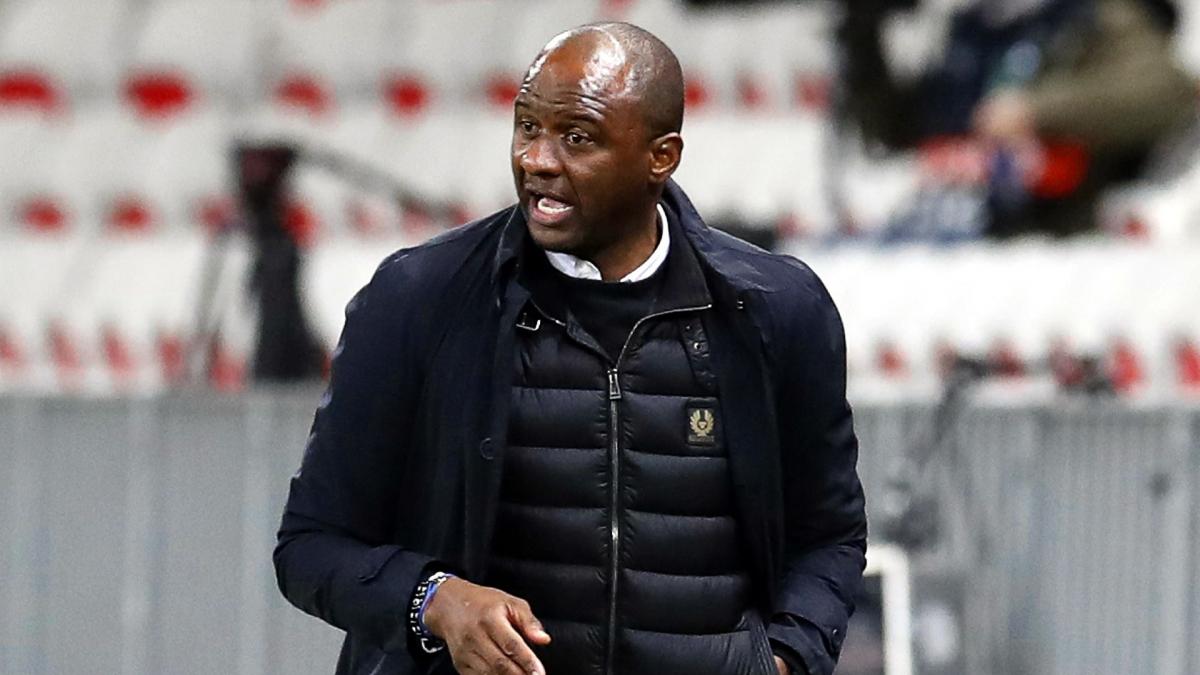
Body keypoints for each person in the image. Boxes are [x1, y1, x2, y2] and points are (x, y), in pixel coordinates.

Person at [274, 22, 866, 675]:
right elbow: (311, 545)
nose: (537, 159)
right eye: (527, 127)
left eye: (577, 137)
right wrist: (434, 600)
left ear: (661, 157)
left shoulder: (776, 309)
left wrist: (787, 658)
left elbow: (828, 536)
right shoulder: (419, 298)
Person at [839, 0, 1196, 237]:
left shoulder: (1097, 14)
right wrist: (864, 47)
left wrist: (1037, 109)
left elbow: (1166, 91)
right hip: (948, 232)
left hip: (1063, 236)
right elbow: (899, 135)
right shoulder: (963, 25)